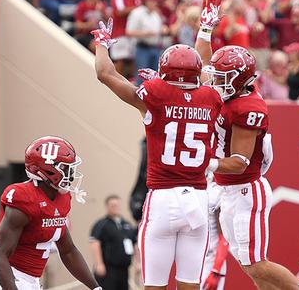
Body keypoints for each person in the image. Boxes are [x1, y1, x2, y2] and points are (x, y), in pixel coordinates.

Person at [91, 17, 223, 290]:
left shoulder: (155, 94)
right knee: (190, 285)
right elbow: (206, 68)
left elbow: (105, 74)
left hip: (163, 198)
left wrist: (102, 45)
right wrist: (206, 29)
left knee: (154, 286)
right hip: (198, 199)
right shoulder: (210, 97)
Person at [194, 0, 299, 290]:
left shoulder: (248, 108)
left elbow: (239, 162)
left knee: (256, 263)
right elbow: (202, 60)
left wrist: (202, 160)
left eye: (222, 77)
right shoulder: (229, 88)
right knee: (249, 266)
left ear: (239, 78)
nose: (215, 81)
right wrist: (206, 28)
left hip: (244, 189)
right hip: (228, 189)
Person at [0, 136, 100, 290]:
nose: (71, 173)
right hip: (9, 277)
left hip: (33, 281)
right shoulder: (24, 197)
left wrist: (96, 287)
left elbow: (68, 251)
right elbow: (1, 255)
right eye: (66, 167)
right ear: (48, 169)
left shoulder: (62, 198)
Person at [89, 195, 136, 290]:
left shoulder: (126, 224)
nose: (115, 207)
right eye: (112, 205)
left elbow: (134, 243)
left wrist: (137, 262)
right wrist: (99, 264)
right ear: (107, 207)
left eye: (117, 205)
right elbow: (94, 243)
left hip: (123, 269)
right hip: (108, 269)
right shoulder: (101, 224)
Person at [201, 173, 229, 290]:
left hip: (211, 259)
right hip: (194, 256)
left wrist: (216, 268)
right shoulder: (191, 189)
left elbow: (224, 236)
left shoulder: (216, 192)